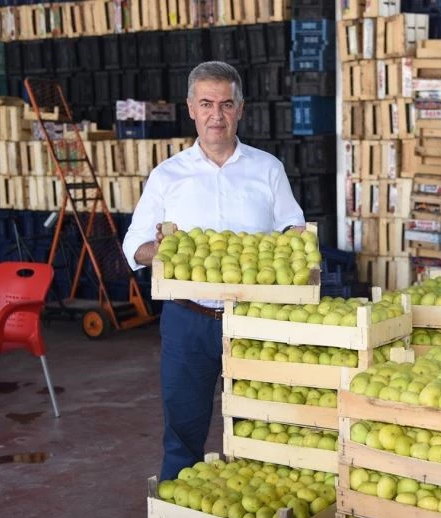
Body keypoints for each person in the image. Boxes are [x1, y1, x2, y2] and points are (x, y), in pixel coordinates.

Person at [122, 61, 305, 481]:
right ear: (191, 108)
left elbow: (294, 230)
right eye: (206, 104)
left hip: (255, 321)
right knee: (183, 431)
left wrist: (294, 240)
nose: (216, 115)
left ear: (240, 109)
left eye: (226, 104)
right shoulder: (167, 176)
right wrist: (159, 250)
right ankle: (177, 517)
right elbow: (133, 245)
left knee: (262, 426)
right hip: (188, 319)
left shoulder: (268, 169)